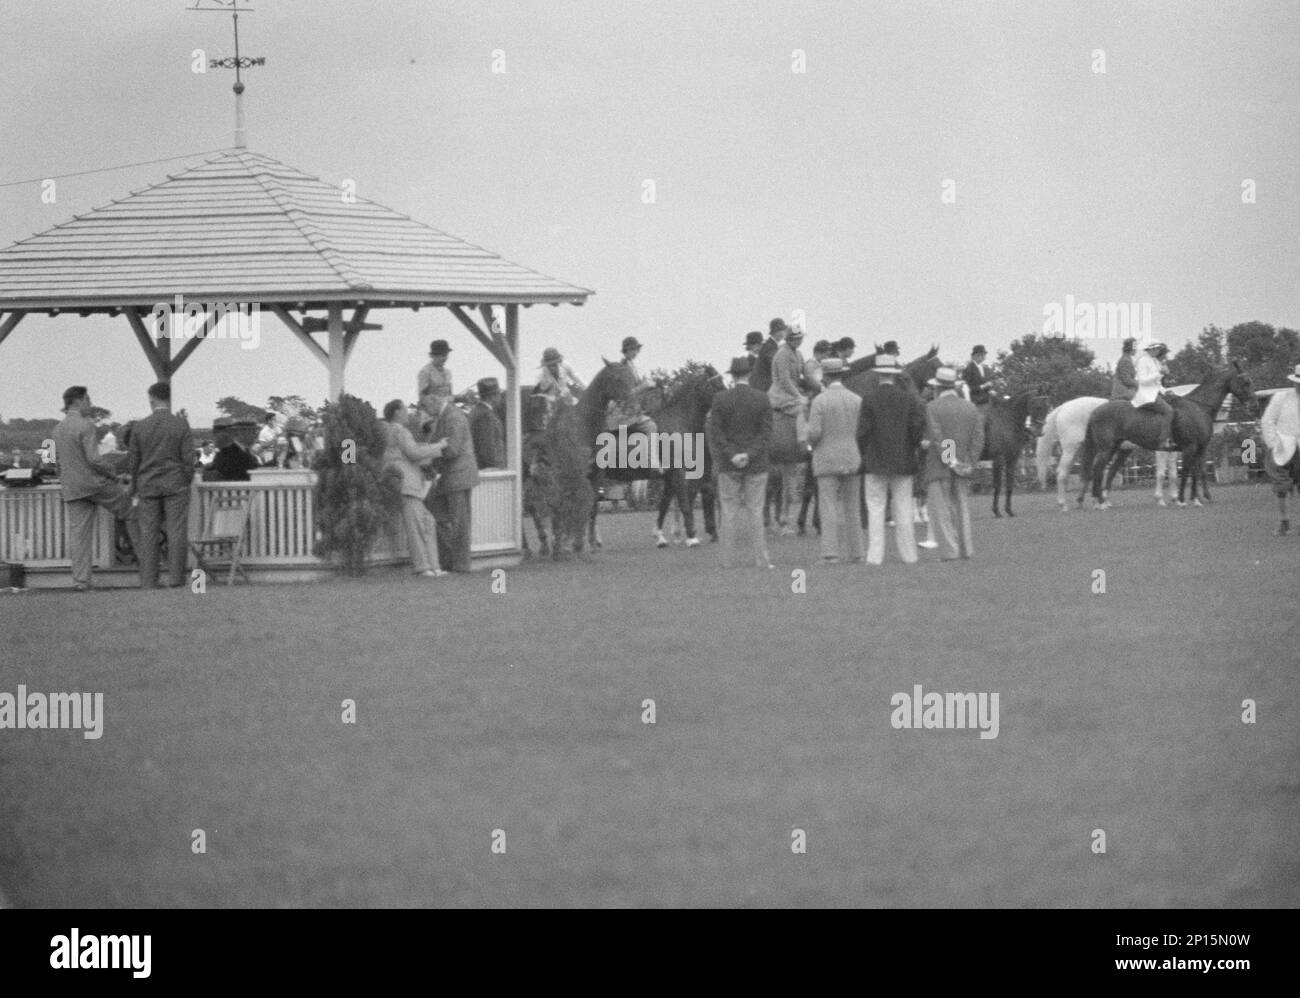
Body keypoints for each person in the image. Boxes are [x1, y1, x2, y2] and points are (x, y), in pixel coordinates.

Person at [52, 386, 141, 591]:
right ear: (78, 401)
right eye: (87, 400)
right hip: (95, 484)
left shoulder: (57, 430)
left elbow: (56, 463)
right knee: (131, 513)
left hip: (73, 487)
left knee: (79, 536)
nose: (90, 404)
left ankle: (81, 581)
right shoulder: (86, 426)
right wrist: (113, 473)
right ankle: (146, 568)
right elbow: (94, 459)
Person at [857, 357, 927, 565]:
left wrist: (864, 453)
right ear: (895, 375)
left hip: (875, 460)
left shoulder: (869, 399)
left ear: (878, 374)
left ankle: (875, 556)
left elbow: (862, 432)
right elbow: (916, 431)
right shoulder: (908, 399)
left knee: (875, 508)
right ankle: (909, 555)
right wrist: (913, 448)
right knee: (904, 508)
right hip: (903, 460)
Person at [706, 356, 774, 569]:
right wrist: (749, 454)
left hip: (728, 464)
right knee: (756, 511)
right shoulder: (762, 398)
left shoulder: (719, 399)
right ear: (749, 374)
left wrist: (732, 454)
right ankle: (761, 560)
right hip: (756, 464)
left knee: (728, 512)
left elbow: (716, 432)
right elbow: (766, 433)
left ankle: (726, 561)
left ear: (732, 376)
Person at [128, 382, 194, 588]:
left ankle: (149, 580)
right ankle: (176, 579)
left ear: (152, 399)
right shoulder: (181, 425)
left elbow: (133, 462)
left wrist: (134, 485)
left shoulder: (139, 427)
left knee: (148, 533)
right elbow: (189, 461)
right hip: (176, 484)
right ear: (169, 398)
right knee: (176, 532)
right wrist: (185, 479)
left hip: (148, 485)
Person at [923, 366, 985, 561]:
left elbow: (939, 435)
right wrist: (967, 463)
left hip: (939, 467)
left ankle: (950, 551)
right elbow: (978, 439)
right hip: (964, 465)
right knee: (962, 507)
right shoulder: (970, 407)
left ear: (938, 388)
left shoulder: (932, 407)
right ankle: (966, 549)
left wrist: (951, 461)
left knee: (942, 511)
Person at [806, 358, 864, 563]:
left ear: (826, 376)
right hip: (851, 456)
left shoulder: (820, 401)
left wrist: (807, 438)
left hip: (826, 458)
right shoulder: (856, 400)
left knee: (828, 507)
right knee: (853, 508)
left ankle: (830, 553)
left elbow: (814, 433)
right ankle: (857, 552)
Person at [382, 399, 449, 577]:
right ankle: (423, 568)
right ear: (397, 412)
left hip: (405, 485)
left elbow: (411, 452)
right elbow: (414, 453)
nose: (408, 414)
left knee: (427, 522)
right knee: (418, 527)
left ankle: (433, 566)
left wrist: (430, 447)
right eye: (405, 410)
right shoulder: (400, 431)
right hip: (407, 485)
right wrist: (440, 446)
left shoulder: (389, 431)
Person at [423, 395, 479, 572]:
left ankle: (462, 564)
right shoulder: (444, 417)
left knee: (459, 522)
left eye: (426, 407)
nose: (425, 412)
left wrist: (429, 454)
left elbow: (453, 449)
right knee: (438, 516)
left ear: (435, 401)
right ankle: (449, 560)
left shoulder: (453, 417)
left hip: (458, 476)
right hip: (449, 477)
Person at [1261, 364, 1300, 536]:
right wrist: (1273, 443)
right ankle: (1284, 522)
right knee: (1282, 487)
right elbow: (1267, 421)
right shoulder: (1281, 398)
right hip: (1283, 449)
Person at [1133, 341, 1176, 449]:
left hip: (1155, 392)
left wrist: (1165, 391)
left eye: (1158, 349)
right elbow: (1142, 381)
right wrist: (1160, 373)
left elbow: (1157, 383)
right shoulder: (1143, 361)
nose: (1158, 351)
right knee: (1168, 411)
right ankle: (1163, 441)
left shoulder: (1155, 362)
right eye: (1156, 349)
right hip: (1146, 394)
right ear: (1150, 349)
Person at [469, 377, 506, 469]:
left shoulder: (476, 411)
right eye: (498, 394)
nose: (500, 397)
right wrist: (498, 469)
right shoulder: (486, 416)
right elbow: (488, 448)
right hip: (490, 471)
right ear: (493, 396)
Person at [750, 318, 788, 393]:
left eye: (783, 330)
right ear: (773, 332)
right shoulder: (769, 347)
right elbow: (777, 364)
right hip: (763, 388)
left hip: (763, 386)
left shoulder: (772, 345)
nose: (782, 334)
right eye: (778, 331)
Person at [418, 339, 454, 415]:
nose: (444, 358)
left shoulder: (448, 373)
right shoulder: (425, 372)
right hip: (431, 415)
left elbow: (450, 394)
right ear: (433, 356)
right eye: (441, 355)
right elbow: (423, 398)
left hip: (447, 412)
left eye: (446, 355)